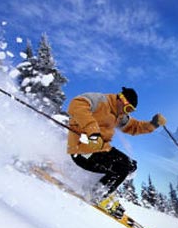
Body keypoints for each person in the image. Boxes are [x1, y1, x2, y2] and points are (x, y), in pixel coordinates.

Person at [67, 87, 166, 217]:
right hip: (82, 148)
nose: (127, 112)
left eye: (130, 110)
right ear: (121, 99)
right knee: (122, 167)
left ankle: (100, 187)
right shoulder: (100, 100)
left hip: (100, 149)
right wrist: (92, 132)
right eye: (127, 108)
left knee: (130, 165)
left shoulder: (118, 115)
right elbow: (76, 104)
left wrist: (153, 124)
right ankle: (97, 193)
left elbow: (134, 126)